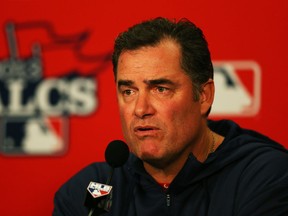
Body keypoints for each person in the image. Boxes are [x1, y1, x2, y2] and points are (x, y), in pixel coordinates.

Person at [53, 17, 288, 215]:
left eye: (160, 89)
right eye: (129, 91)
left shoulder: (264, 176)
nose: (140, 108)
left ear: (204, 96)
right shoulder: (97, 187)